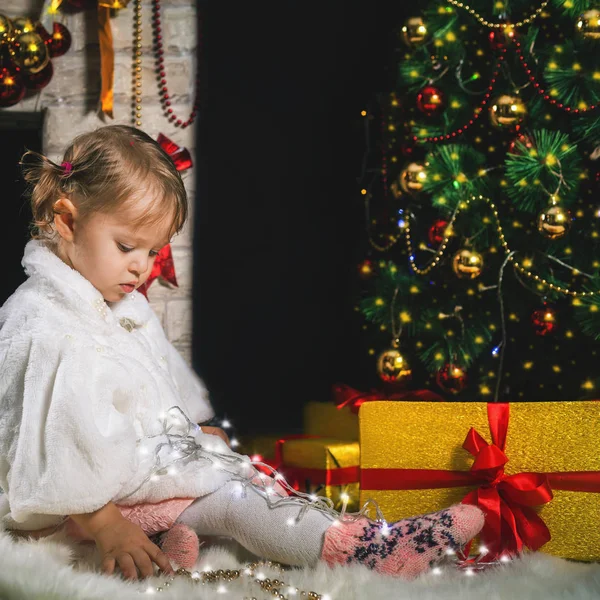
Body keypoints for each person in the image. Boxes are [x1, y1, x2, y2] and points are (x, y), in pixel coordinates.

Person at [0, 125, 484, 582]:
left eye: (153, 252)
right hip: (79, 508)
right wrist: (107, 524)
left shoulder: (119, 303)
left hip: (126, 478)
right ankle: (366, 551)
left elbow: (148, 390)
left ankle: (194, 535)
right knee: (235, 500)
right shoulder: (47, 325)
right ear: (66, 220)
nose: (141, 268)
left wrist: (185, 431)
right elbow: (51, 444)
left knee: (237, 469)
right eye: (127, 246)